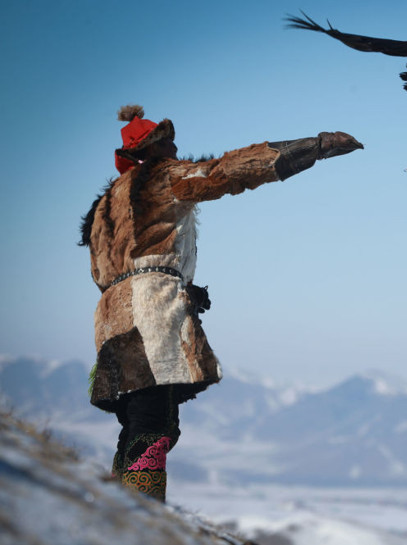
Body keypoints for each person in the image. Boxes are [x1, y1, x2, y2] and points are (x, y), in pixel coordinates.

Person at [79, 105, 362, 501]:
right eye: (168, 142)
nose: (176, 148)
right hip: (150, 312)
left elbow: (107, 272)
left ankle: (116, 508)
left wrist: (172, 284)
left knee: (137, 419)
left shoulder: (104, 206)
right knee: (153, 424)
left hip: (111, 320)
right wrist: (314, 147)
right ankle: (138, 514)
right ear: (155, 149)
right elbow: (224, 172)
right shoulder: (160, 179)